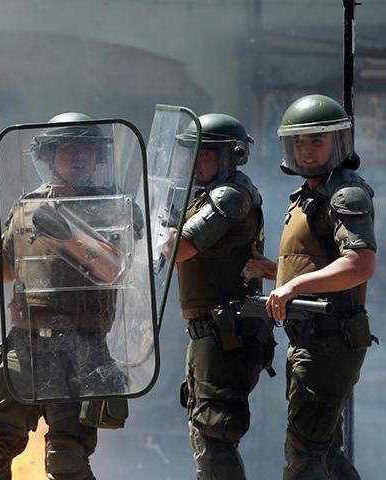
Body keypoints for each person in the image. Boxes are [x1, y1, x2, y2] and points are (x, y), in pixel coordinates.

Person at [0, 112, 143, 479]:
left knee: (66, 460)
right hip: (25, 346)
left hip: (83, 347)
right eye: (70, 149)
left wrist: (68, 234)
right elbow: (7, 273)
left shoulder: (115, 207)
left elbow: (115, 270)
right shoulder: (28, 207)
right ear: (48, 156)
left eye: (89, 150)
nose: (80, 158)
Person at [243, 94, 376, 479]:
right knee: (325, 452)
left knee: (304, 454)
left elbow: (359, 264)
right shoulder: (313, 193)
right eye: (298, 142)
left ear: (337, 143)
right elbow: (322, 262)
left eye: (315, 140)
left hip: (330, 342)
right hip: (311, 339)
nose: (305, 150)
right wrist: (274, 273)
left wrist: (291, 287)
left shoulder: (345, 194)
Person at [163, 113, 272, 479]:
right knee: (205, 434)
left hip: (226, 334)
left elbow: (179, 248)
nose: (195, 163)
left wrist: (151, 225)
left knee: (215, 437)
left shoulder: (230, 196)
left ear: (231, 155)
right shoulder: (207, 196)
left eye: (205, 155)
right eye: (191, 155)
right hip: (210, 332)